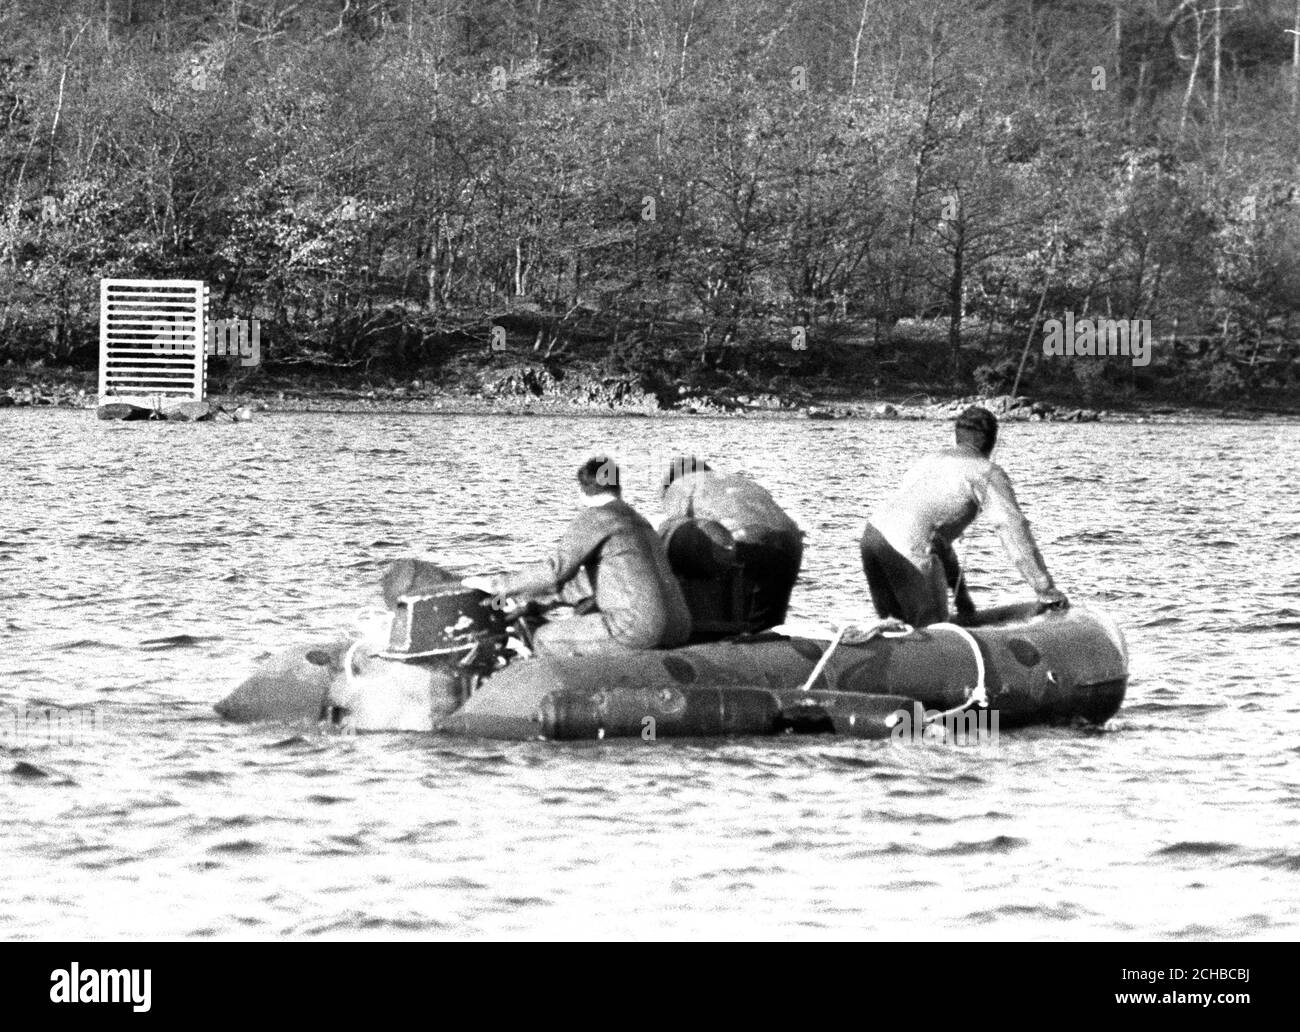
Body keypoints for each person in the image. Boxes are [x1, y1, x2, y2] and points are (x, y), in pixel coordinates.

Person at [860, 406, 1067, 627]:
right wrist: (1045, 589)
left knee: (896, 628)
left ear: (956, 437)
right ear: (992, 442)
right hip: (907, 547)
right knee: (934, 633)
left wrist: (963, 600)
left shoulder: (929, 462)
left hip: (872, 539)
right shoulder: (986, 471)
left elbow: (935, 538)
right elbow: (1011, 529)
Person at [463, 457, 691, 656]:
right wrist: (532, 604)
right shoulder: (640, 522)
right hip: (677, 626)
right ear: (618, 488)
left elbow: (555, 571)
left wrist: (496, 585)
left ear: (581, 492)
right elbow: (590, 584)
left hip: (637, 627)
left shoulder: (596, 517)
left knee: (544, 638)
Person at [660, 456, 804, 633]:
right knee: (769, 623)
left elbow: (681, 531)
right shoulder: (733, 482)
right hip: (790, 541)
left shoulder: (681, 488)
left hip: (745, 540)